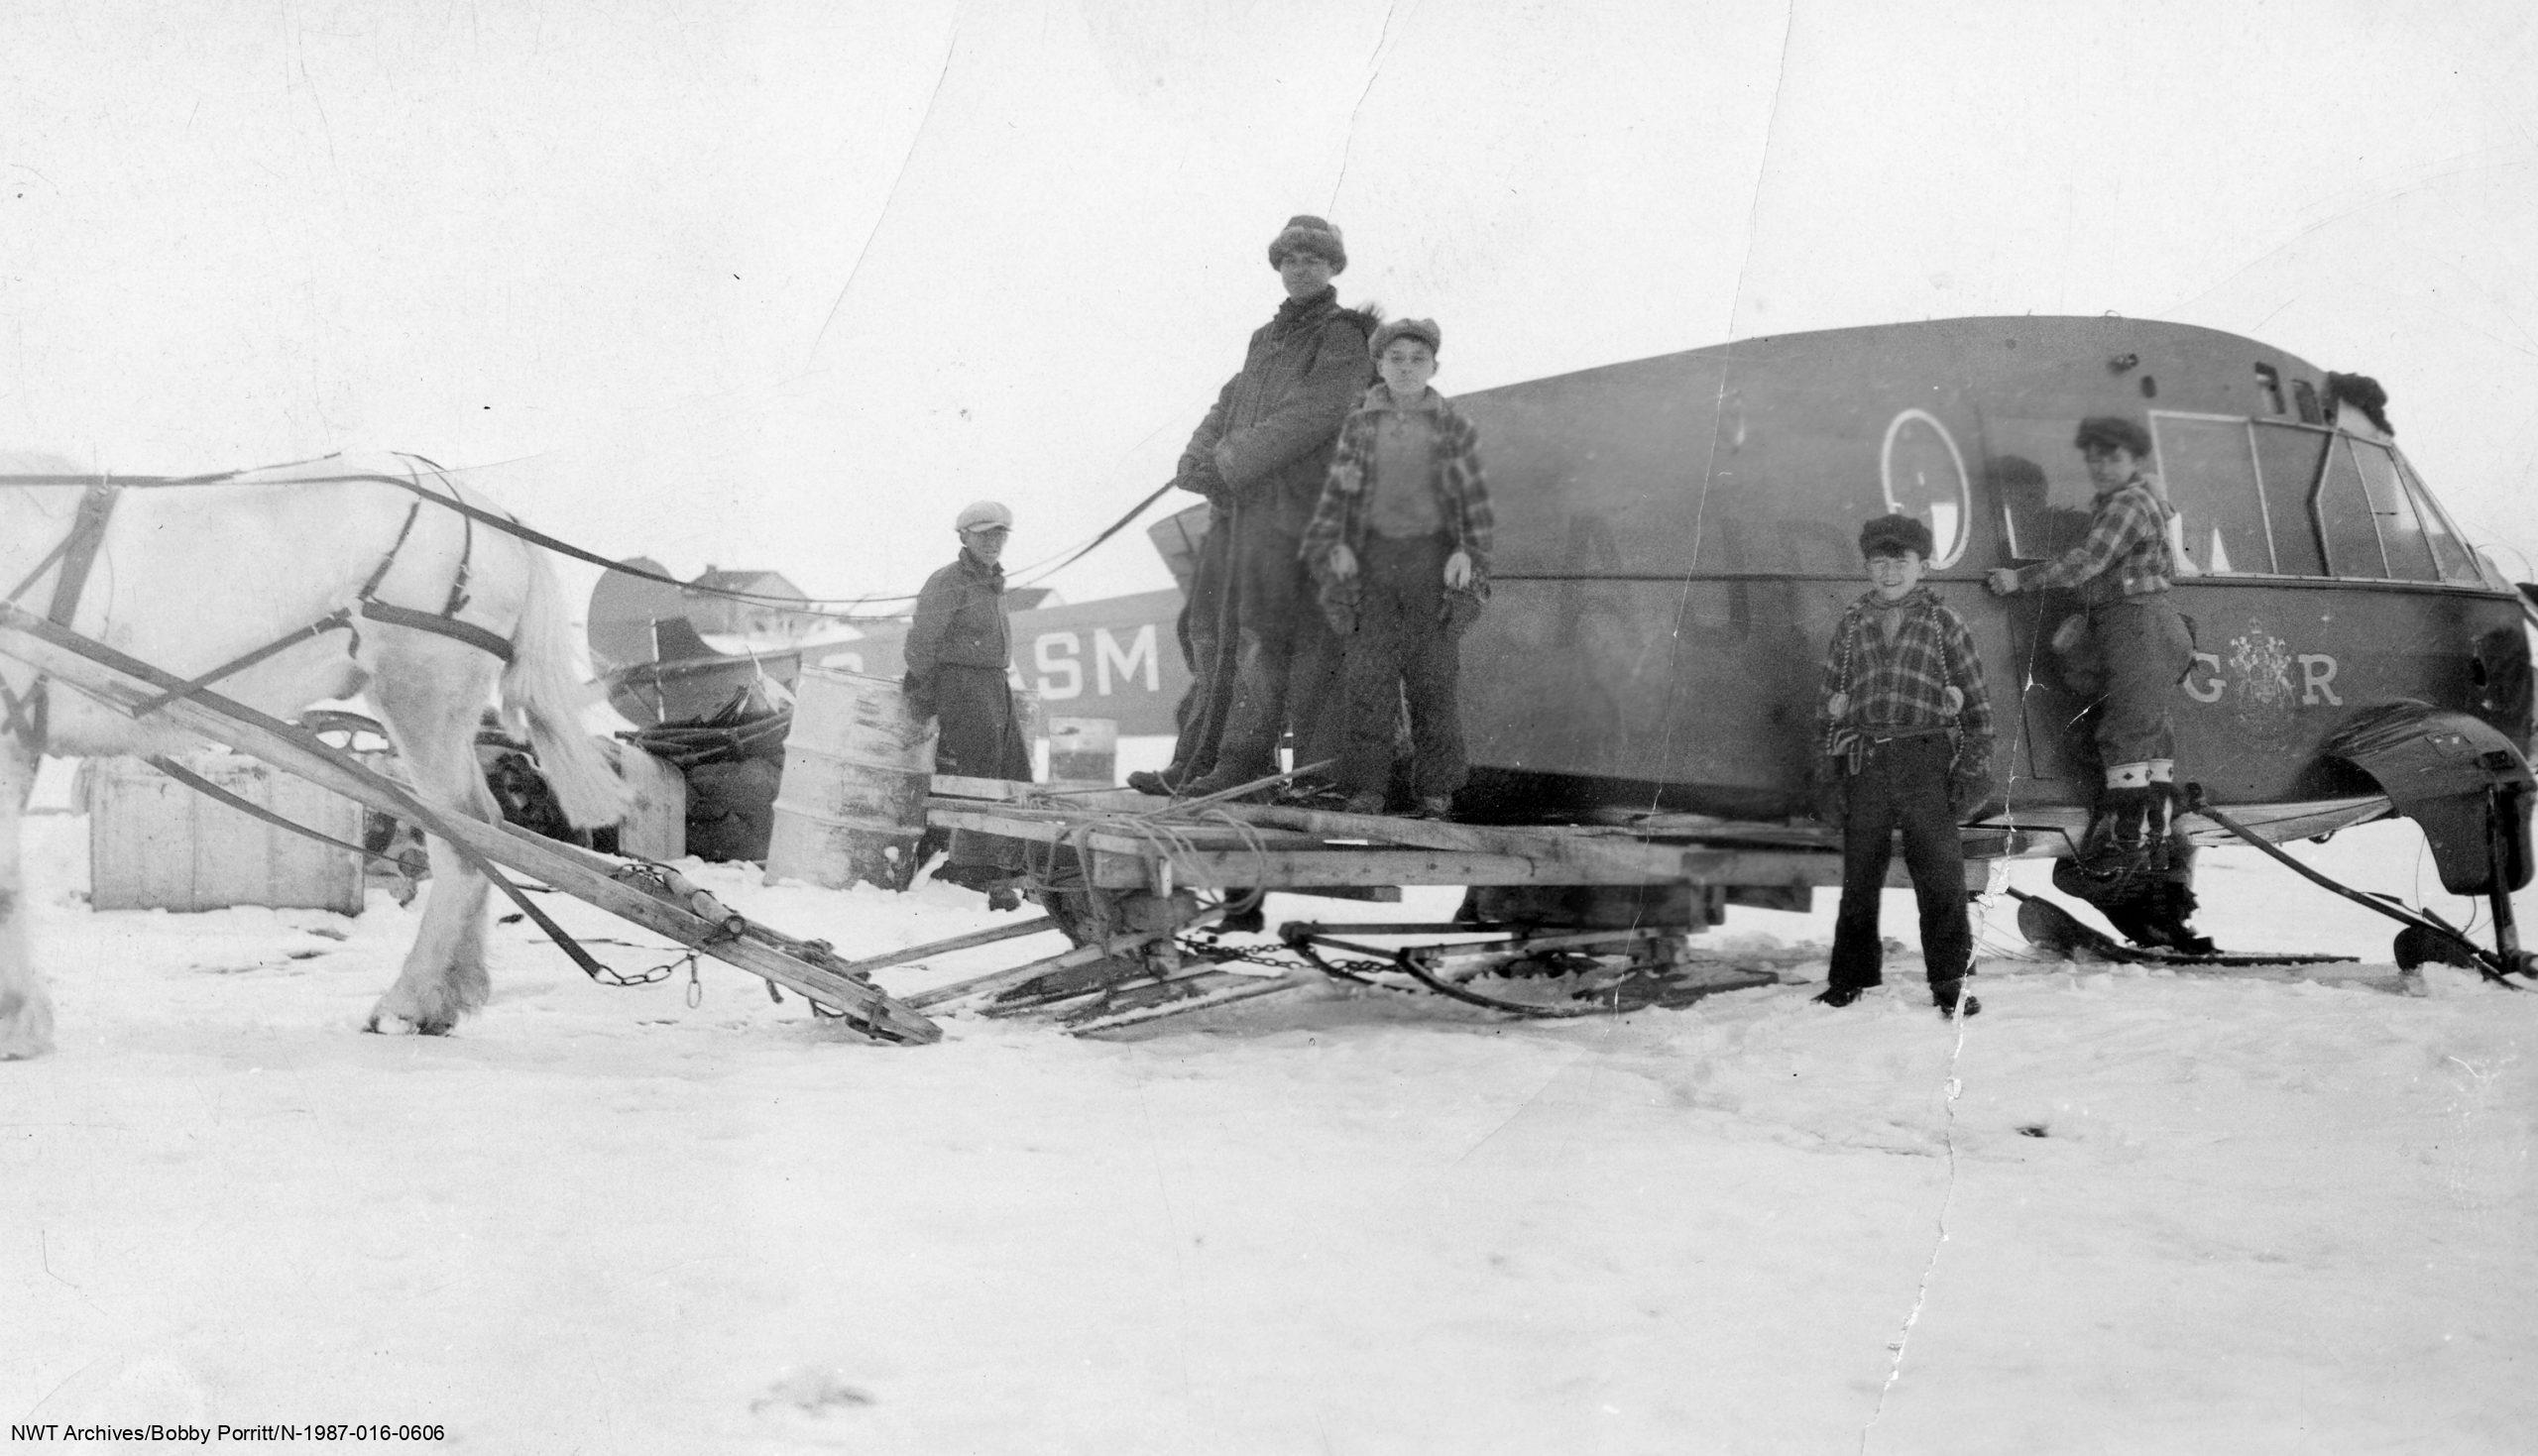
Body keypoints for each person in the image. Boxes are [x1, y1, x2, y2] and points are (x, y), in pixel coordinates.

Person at [1142, 214, 1378, 803]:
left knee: (1268, 638)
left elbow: (1313, 413)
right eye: (1291, 259)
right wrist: (1195, 458)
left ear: (1333, 268)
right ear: (1278, 266)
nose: (1301, 268)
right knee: (1204, 629)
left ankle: (1248, 764)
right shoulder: (1265, 339)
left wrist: (1229, 464)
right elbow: (1230, 400)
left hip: (1294, 512)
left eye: (1314, 260)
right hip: (1241, 512)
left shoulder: (1345, 336)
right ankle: (1197, 759)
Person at [1983, 415, 2193, 877]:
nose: (2100, 466)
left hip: (2137, 623)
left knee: (2126, 732)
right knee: (2148, 733)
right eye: (2094, 458)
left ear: (2135, 460)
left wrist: (2021, 578)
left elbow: (2088, 561)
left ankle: (2128, 847)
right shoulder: (2133, 499)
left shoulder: (2127, 504)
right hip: (2141, 623)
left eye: (2112, 457)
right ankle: (2151, 843)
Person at [1302, 316, 1491, 818]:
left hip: (1433, 568)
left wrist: (1465, 552)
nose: (1406, 368)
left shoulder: (1453, 427)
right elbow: (1337, 500)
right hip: (1373, 569)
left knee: (1434, 682)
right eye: (1395, 359)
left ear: (1434, 365)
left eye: (1418, 360)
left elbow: (1472, 502)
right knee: (1368, 681)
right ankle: (1366, 790)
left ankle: (1436, 793)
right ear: (1378, 365)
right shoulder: (1359, 427)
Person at [1818, 513, 1995, 1017]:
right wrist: (1827, 774)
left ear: (1924, 566)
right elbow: (1827, 702)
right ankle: (1849, 977)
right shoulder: (1852, 624)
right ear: (1867, 567)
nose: (1889, 571)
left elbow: (1979, 708)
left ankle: (1949, 982)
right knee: (1860, 875)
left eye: (1901, 561)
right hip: (1866, 759)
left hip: (1925, 759)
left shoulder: (1944, 624)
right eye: (1878, 561)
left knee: (1941, 876)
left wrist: (1973, 770)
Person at [903, 500, 1031, 909]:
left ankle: (1003, 864)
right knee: (980, 772)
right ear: (964, 537)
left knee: (1013, 772)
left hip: (994, 682)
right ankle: (973, 869)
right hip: (963, 683)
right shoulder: (949, 581)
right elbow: (922, 643)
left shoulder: (991, 581)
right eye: (984, 534)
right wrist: (931, 690)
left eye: (999, 535)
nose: (993, 542)